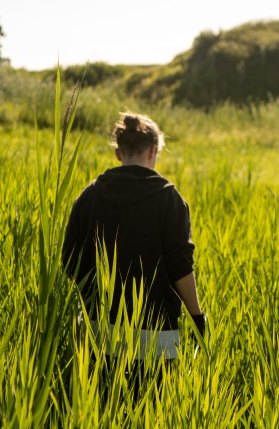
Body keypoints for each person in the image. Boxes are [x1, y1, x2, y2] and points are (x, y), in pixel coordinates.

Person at [63, 112, 206, 373]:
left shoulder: (89, 196)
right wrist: (197, 317)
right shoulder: (170, 200)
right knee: (153, 411)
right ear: (153, 151)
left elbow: (70, 263)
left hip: (97, 334)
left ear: (119, 153)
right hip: (156, 340)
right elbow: (180, 268)